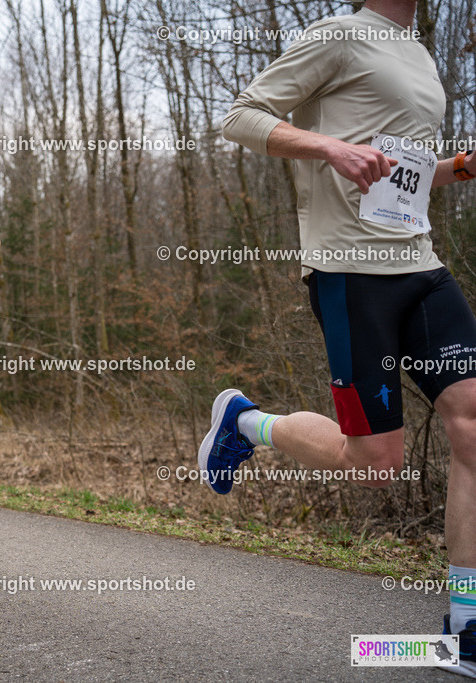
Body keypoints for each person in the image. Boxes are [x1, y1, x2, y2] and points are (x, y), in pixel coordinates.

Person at [202, 0, 476, 675]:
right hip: (352, 271)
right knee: (376, 463)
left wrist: (460, 168)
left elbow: (399, 173)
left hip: (422, 264)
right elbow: (240, 117)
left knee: (472, 425)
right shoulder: (339, 34)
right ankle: (246, 421)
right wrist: (328, 145)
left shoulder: (417, 51)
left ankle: (465, 623)